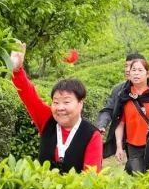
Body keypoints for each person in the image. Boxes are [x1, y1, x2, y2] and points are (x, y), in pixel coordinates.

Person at [9, 43, 102, 173]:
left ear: (80, 103)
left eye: (66, 102)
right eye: (56, 102)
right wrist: (17, 70)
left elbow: (91, 179)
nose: (60, 108)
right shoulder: (47, 119)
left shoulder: (92, 135)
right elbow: (29, 97)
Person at [113, 57, 149, 174]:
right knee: (138, 175)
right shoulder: (124, 96)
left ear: (147, 74)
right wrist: (119, 146)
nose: (136, 73)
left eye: (140, 70)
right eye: (133, 70)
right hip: (133, 145)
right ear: (129, 73)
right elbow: (119, 123)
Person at [96, 52, 144, 156]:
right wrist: (102, 124)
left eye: (132, 66)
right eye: (126, 66)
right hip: (124, 138)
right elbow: (108, 110)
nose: (127, 70)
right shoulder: (118, 90)